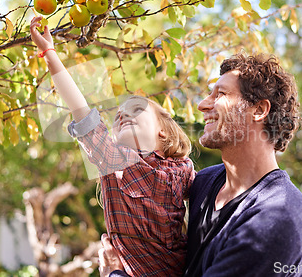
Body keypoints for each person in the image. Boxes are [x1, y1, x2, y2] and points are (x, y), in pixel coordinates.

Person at [99, 52, 302, 276]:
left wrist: (115, 274)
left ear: (259, 110)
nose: (202, 105)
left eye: (220, 94)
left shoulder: (277, 217)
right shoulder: (203, 183)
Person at [29, 16, 196, 277]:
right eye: (117, 115)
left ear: (163, 131)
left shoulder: (184, 169)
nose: (121, 115)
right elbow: (81, 111)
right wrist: (50, 53)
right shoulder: (115, 161)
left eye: (135, 108)